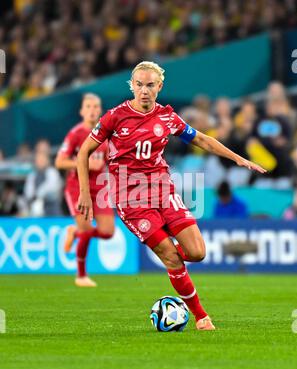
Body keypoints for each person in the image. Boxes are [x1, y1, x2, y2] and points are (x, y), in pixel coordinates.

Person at [76, 61, 266, 330]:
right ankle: (202, 317)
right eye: (139, 84)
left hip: (163, 192)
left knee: (197, 253)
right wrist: (85, 193)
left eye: (150, 85)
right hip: (131, 201)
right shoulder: (115, 117)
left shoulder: (167, 117)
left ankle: (173, 266)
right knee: (171, 255)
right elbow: (83, 152)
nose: (144, 90)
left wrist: (238, 158)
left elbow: (201, 139)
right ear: (131, 85)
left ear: (159, 86)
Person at [55, 93, 115, 288]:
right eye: (88, 106)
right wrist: (84, 163)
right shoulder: (76, 134)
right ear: (81, 111)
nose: (92, 110)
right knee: (88, 230)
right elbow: (59, 161)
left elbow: (110, 161)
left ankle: (75, 232)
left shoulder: (105, 135)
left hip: (100, 189)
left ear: (100, 110)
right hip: (77, 187)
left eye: (96, 106)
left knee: (107, 232)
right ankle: (81, 276)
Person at [24, 150, 62, 216]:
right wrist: (33, 198)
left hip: (52, 208)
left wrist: (38, 194)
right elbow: (28, 192)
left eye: (42, 160)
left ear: (47, 161)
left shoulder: (52, 172)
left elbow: (51, 187)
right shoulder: (32, 175)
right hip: (36, 209)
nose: (40, 162)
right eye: (38, 160)